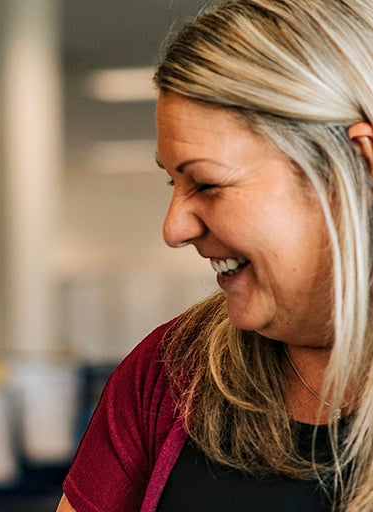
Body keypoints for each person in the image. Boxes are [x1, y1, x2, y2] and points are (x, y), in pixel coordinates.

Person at [57, 1, 373, 511]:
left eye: (206, 182)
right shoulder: (170, 372)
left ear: (357, 168)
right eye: (173, 180)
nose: (173, 228)